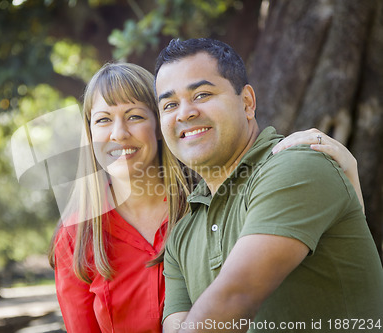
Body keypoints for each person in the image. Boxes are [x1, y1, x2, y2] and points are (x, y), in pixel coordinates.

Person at [47, 62, 366, 333]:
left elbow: (328, 267)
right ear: (89, 133)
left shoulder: (208, 202)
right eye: (103, 120)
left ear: (159, 126)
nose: (118, 133)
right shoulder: (76, 237)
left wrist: (347, 178)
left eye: (135, 116)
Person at [155, 38, 383, 333]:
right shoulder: (181, 236)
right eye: (170, 104)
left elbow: (236, 296)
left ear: (247, 102)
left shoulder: (297, 166)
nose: (185, 113)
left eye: (201, 94)